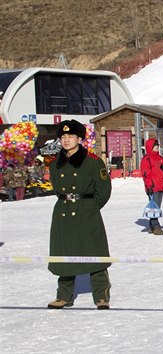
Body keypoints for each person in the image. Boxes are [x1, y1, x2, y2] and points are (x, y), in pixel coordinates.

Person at [47, 119, 112, 310]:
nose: (66, 140)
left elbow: (104, 191)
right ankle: (64, 296)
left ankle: (101, 296)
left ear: (79, 138)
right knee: (64, 254)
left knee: (95, 253)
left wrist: (89, 208)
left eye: (70, 136)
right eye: (63, 136)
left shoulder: (92, 162)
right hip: (63, 212)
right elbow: (58, 190)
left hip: (86, 211)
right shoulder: (55, 164)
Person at [140, 138, 163, 235]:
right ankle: (156, 227)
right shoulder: (146, 159)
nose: (157, 147)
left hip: (160, 185)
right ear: (150, 147)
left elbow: (162, 168)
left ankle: (151, 226)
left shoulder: (160, 157)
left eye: (157, 146)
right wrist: (149, 186)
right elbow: (145, 173)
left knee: (156, 207)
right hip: (153, 186)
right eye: (155, 146)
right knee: (155, 208)